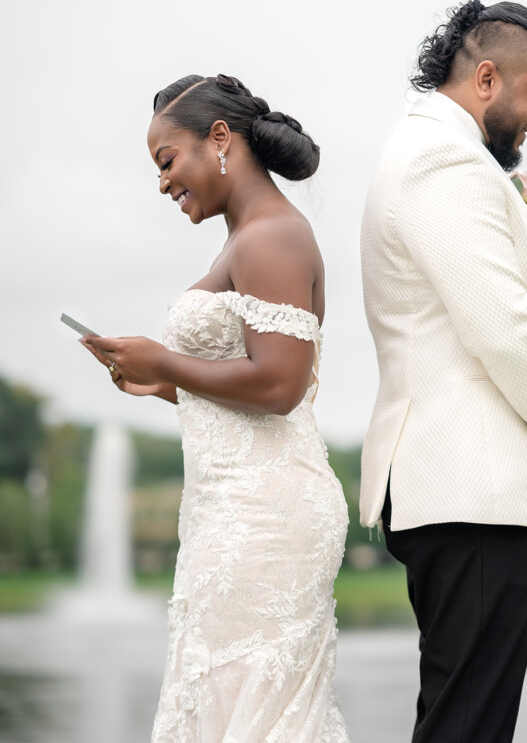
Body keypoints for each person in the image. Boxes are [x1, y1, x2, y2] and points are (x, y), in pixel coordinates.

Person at [359, 0, 527, 743]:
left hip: (465, 493)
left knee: (460, 723)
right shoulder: (442, 160)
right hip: (472, 491)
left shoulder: (437, 156)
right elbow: (504, 329)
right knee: (468, 728)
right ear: (487, 78)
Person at [81, 73, 350, 743]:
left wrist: (166, 360)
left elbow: (282, 385)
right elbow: (247, 382)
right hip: (231, 509)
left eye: (167, 160)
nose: (163, 182)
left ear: (220, 138)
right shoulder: (244, 239)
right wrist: (155, 382)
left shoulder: (271, 237)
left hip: (265, 516)